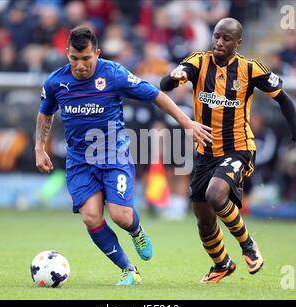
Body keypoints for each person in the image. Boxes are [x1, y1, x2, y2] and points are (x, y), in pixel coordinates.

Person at [35, 26, 212, 286]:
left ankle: (136, 231)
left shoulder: (114, 74)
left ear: (97, 53)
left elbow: (157, 95)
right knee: (91, 218)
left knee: (121, 216)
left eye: (86, 59)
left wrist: (187, 123)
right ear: (67, 54)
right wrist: (39, 148)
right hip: (79, 161)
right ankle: (129, 270)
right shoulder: (55, 82)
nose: (80, 65)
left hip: (114, 156)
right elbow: (45, 113)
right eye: (74, 59)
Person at [160, 17, 296, 283]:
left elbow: (283, 98)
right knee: (203, 219)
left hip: (239, 148)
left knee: (215, 194)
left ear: (238, 42)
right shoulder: (198, 61)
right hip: (206, 152)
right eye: (217, 36)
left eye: (226, 38)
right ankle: (221, 264)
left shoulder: (250, 68)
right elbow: (166, 84)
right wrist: (174, 77)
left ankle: (248, 245)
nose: (219, 42)